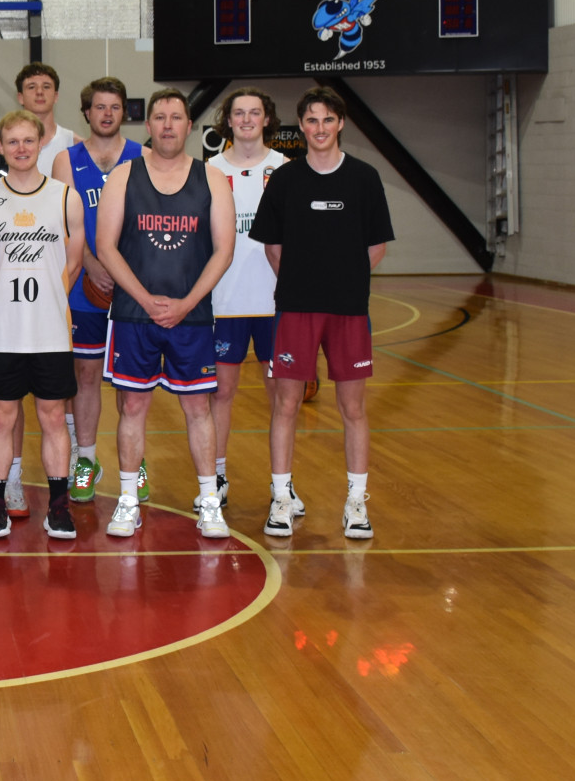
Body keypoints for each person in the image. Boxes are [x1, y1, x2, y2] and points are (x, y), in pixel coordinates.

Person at [251, 86, 394, 541]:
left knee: (353, 407)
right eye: (311, 121)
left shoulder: (365, 178)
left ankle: (356, 503)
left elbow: (377, 247)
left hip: (349, 310)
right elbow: (273, 248)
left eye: (327, 120)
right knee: (286, 403)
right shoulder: (286, 180)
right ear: (302, 126)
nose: (319, 128)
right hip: (295, 309)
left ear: (340, 124)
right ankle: (281, 497)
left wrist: (343, 281)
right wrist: (303, 282)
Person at [94, 88, 235, 541]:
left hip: (191, 317)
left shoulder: (211, 178)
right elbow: (105, 248)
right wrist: (146, 299)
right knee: (132, 405)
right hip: (135, 315)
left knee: (198, 407)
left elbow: (224, 250)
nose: (169, 124)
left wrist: (186, 303)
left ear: (189, 125)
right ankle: (128, 500)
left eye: (177, 117)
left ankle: (210, 502)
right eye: (160, 117)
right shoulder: (123, 176)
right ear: (149, 125)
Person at [0, 108, 84, 542]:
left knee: (53, 415)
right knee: (2, 416)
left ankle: (59, 508)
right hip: (1, 328)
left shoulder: (64, 196)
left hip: (50, 329)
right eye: (12, 141)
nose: (21, 148)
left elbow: (74, 261)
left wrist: (53, 298)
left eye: (28, 140)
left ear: (41, 144)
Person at [203, 87, 301, 518]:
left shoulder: (285, 170)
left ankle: (283, 484)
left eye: (254, 112)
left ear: (267, 119)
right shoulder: (207, 171)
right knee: (221, 394)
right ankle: (218, 478)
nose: (245, 119)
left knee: (282, 396)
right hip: (223, 301)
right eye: (238, 112)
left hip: (276, 302)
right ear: (227, 120)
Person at [52, 76, 140, 505]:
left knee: (131, 381)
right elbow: (63, 225)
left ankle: (134, 459)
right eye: (99, 107)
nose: (106, 114)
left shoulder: (142, 158)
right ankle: (86, 460)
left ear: (124, 113)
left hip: (131, 288)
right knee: (84, 376)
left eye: (114, 107)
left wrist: (121, 273)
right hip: (84, 285)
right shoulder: (66, 161)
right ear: (86, 113)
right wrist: (89, 263)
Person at [14, 63, 78, 176]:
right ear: (20, 97)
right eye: (31, 87)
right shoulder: (3, 146)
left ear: (56, 96)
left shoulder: (75, 144)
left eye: (46, 86)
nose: (39, 92)